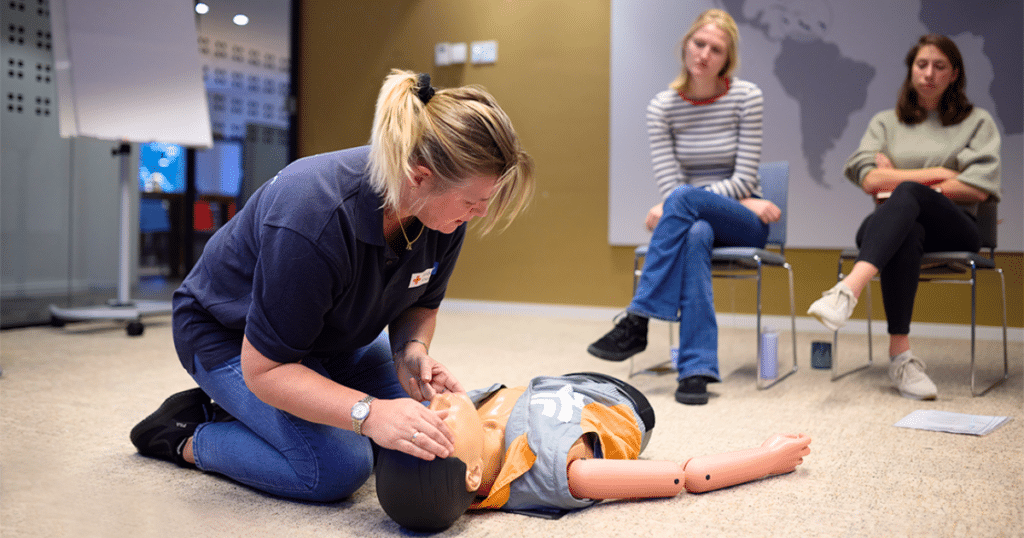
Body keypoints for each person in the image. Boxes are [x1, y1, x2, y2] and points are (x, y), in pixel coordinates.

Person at [129, 69, 535, 502]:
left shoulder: (442, 214)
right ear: (419, 176)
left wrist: (410, 351)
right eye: (473, 203)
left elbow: (421, 305)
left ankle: (269, 413)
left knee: (428, 428)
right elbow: (266, 369)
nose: (479, 215)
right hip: (230, 339)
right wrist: (369, 413)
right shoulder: (313, 217)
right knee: (338, 467)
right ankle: (191, 432)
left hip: (331, 339)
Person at [587, 8, 780, 405]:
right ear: (685, 45)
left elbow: (744, 179)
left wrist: (690, 199)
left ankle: (638, 318)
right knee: (693, 231)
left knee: (683, 202)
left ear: (728, 59)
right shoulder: (662, 107)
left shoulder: (747, 97)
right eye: (699, 43)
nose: (705, 54)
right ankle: (696, 371)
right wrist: (686, 200)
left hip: (746, 221)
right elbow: (672, 185)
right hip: (702, 217)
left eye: (717, 49)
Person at [807, 34, 1001, 400]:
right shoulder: (886, 123)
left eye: (939, 66)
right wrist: (942, 174)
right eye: (921, 65)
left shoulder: (978, 123)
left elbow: (977, 188)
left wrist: (900, 178)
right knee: (906, 228)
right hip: (897, 228)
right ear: (911, 70)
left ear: (954, 74)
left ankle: (847, 290)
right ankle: (901, 355)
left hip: (957, 227)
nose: (928, 73)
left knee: (907, 194)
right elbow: (868, 179)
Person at [375, 372, 812, 532]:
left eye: (419, 417)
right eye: (436, 429)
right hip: (623, 398)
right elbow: (687, 477)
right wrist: (767, 457)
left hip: (560, 381)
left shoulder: (467, 407)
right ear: (473, 476)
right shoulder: (557, 471)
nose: (431, 411)